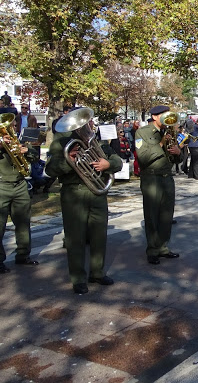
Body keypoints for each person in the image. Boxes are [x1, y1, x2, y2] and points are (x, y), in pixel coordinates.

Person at [46, 107, 122, 294]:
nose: (88, 125)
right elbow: (50, 170)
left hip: (97, 194)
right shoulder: (61, 143)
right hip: (74, 194)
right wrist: (68, 159)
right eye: (85, 122)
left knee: (99, 236)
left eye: (88, 122)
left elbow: (118, 161)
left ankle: (97, 272)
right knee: (75, 238)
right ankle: (78, 278)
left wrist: (108, 164)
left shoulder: (99, 143)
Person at [135, 105, 182, 265]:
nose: (167, 117)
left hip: (167, 177)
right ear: (155, 116)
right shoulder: (142, 132)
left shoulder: (167, 131)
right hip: (151, 179)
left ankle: (163, 247)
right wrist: (161, 143)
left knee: (167, 215)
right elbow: (143, 157)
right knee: (152, 215)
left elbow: (175, 160)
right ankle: (152, 249)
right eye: (163, 114)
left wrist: (177, 152)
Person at [0, 120, 40, 274]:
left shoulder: (20, 140)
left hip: (20, 185)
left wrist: (26, 151)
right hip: (2, 185)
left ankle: (23, 255)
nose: (11, 128)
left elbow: (35, 155)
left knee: (23, 222)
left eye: (14, 125)